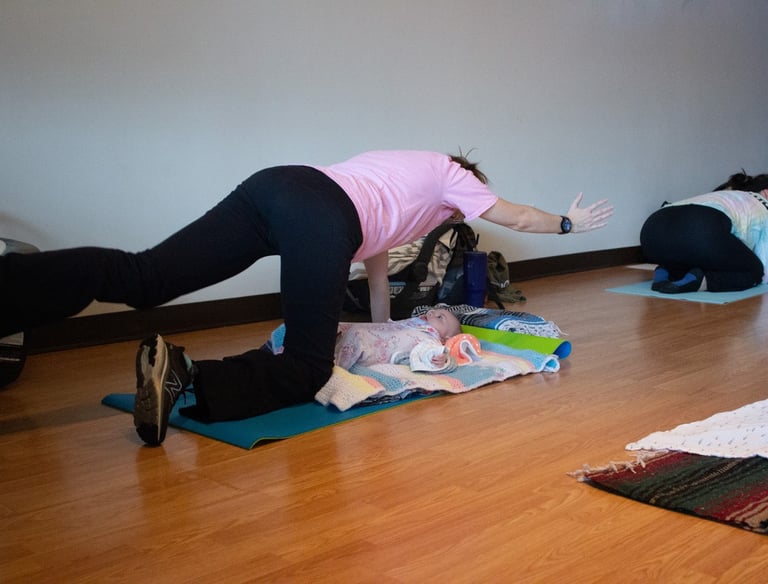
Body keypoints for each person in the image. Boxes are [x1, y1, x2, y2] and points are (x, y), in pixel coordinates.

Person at [0, 150, 613, 446]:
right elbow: (520, 216)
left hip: (278, 186)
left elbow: (374, 267)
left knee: (146, 278)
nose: (479, 198)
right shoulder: (455, 176)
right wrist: (566, 224)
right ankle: (184, 377)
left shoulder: (397, 179)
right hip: (320, 214)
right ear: (469, 176)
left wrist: (387, 337)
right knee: (304, 368)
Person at [640, 171, 768, 294]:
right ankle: (700, 282)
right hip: (700, 230)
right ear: (766, 193)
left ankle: (667, 270)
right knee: (755, 271)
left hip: (651, 233)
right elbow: (765, 262)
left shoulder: (726, 196)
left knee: (704, 256)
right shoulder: (763, 206)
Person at [333, 308, 461, 371]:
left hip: (370, 346)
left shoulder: (432, 339)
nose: (431, 314)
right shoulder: (415, 323)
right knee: (343, 327)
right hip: (372, 333)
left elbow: (435, 354)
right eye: (432, 311)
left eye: (439, 317)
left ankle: (336, 369)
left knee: (357, 335)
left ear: (445, 338)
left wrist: (443, 359)